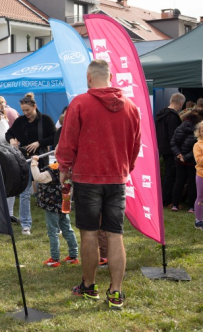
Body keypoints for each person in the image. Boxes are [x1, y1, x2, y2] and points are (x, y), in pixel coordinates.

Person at [56, 59, 141, 310]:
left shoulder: (80, 103)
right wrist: (126, 168)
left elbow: (68, 139)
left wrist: (63, 168)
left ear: (89, 77)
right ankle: (116, 292)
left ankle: (89, 286)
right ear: (111, 77)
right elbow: (135, 146)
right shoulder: (131, 106)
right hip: (117, 178)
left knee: (89, 234)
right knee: (115, 235)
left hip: (87, 178)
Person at [5, 93, 56, 235]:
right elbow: (9, 133)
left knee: (48, 191)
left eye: (28, 110)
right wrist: (12, 141)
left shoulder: (45, 120)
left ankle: (54, 225)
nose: (26, 113)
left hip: (41, 159)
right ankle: (26, 225)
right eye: (23, 111)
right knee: (25, 192)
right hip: (25, 160)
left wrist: (40, 142)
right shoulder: (20, 121)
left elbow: (54, 137)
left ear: (35, 106)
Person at [30, 155, 79, 267]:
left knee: (53, 232)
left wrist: (34, 163)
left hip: (51, 205)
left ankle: (55, 258)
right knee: (67, 229)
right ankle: (73, 256)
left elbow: (37, 177)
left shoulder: (52, 170)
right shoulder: (71, 168)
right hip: (64, 203)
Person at [155, 93, 185, 207]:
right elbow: (173, 136)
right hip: (171, 149)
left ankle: (163, 198)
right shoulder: (173, 116)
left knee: (166, 174)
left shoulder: (160, 113)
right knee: (170, 174)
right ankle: (166, 200)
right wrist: (177, 151)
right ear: (181, 103)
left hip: (161, 147)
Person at [170, 110, 203, 212]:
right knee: (192, 184)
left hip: (179, 160)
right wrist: (186, 157)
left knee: (179, 182)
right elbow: (196, 148)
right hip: (191, 161)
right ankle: (192, 207)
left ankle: (175, 205)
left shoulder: (179, 128)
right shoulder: (197, 132)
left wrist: (178, 154)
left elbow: (173, 142)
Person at [192, 121, 203, 230]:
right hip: (201, 175)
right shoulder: (197, 145)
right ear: (199, 132)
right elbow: (199, 161)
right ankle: (198, 221)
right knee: (200, 197)